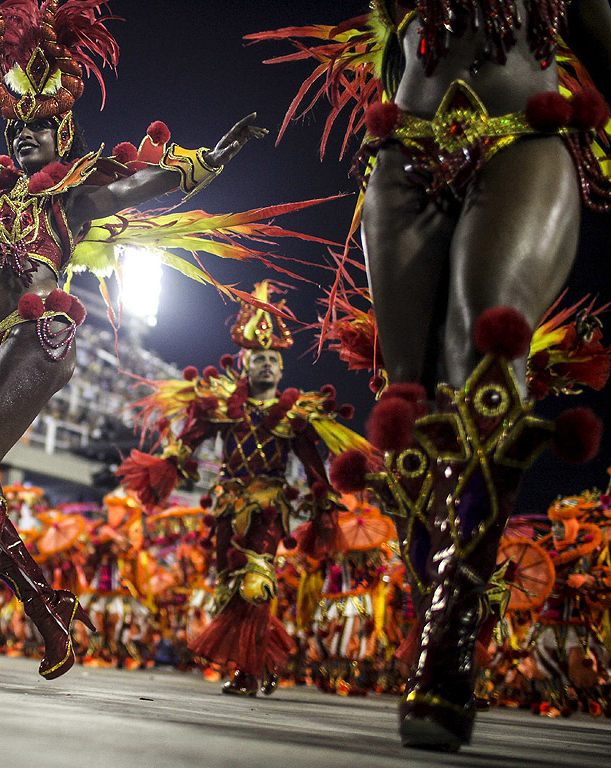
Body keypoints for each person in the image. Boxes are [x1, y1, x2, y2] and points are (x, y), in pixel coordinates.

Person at [0, 0, 293, 684]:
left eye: (42, 128)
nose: (26, 139)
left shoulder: (70, 200)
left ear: (64, 130)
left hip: (45, 334)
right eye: (19, 130)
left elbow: (143, 183)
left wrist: (211, 157)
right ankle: (41, 610)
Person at [256, 0, 611, 750]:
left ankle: (452, 631)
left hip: (525, 141)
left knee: (483, 343)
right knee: (410, 396)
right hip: (404, 154)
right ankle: (433, 611)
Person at [117, 283, 369, 695]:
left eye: (274, 359)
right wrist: (170, 462)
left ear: (282, 370)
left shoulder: (296, 414)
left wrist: (324, 501)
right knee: (229, 585)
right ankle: (261, 662)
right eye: (260, 359)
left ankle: (248, 673)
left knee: (257, 581)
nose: (267, 365)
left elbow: (311, 467)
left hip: (270, 506)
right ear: (245, 364)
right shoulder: (219, 405)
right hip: (226, 505)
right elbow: (190, 440)